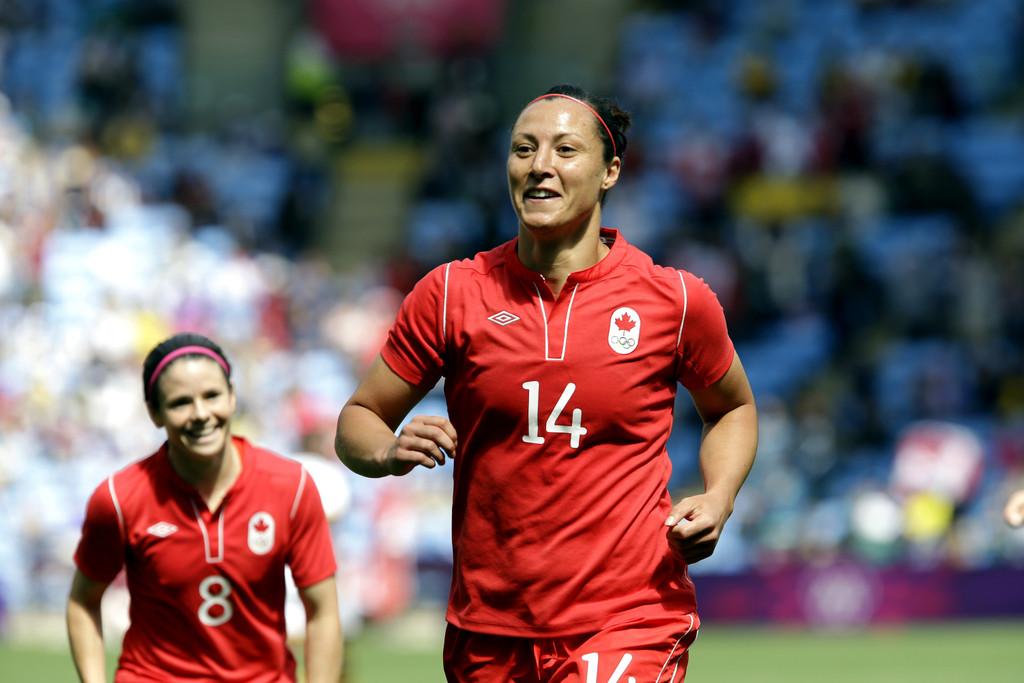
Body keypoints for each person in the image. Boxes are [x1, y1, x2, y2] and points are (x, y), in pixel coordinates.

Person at [334, 83, 759, 682]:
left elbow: (732, 408)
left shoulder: (675, 300)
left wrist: (719, 496)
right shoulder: (452, 293)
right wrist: (384, 449)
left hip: (628, 614)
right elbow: (358, 418)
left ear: (610, 171)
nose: (539, 166)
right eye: (523, 149)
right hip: (488, 629)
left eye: (564, 150)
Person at [67, 333, 343, 683]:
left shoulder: (291, 486)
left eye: (211, 395)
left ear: (232, 397)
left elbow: (322, 611)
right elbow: (83, 601)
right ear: (154, 413)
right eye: (181, 402)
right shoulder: (119, 499)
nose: (201, 414)